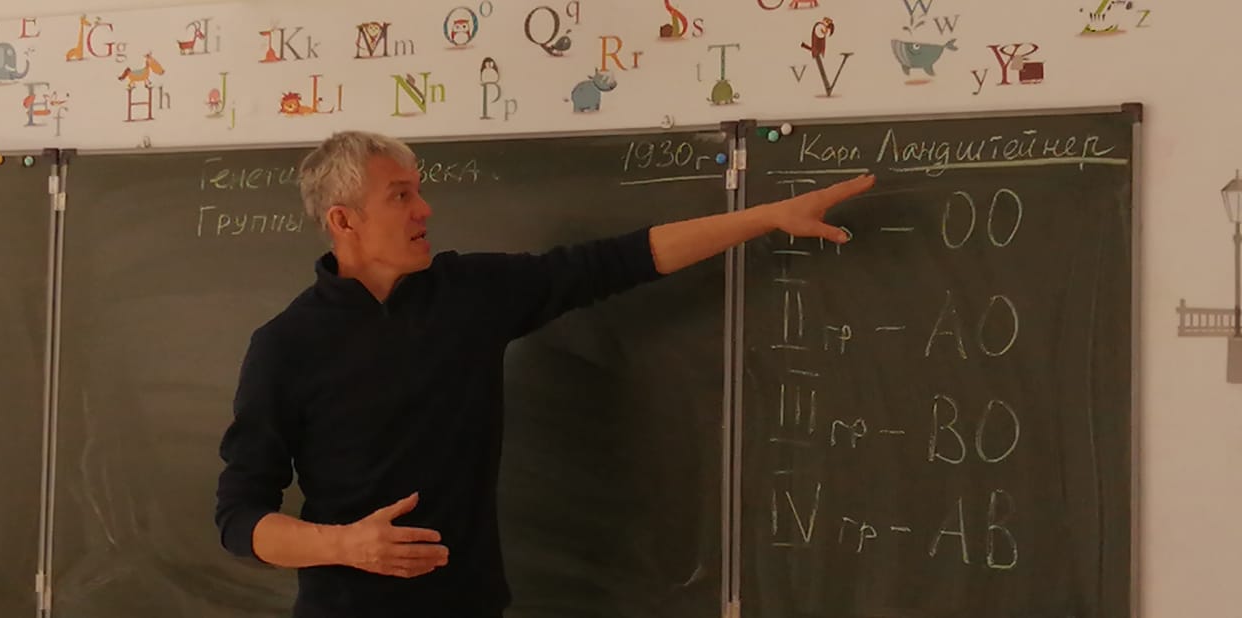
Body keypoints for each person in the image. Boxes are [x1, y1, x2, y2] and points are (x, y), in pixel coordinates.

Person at [213, 130, 874, 617]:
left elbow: (616, 261)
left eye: (419, 192)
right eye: (401, 196)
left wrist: (766, 216)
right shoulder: (285, 346)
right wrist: (345, 546)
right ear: (344, 220)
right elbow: (240, 517)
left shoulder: (468, 294)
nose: (424, 210)